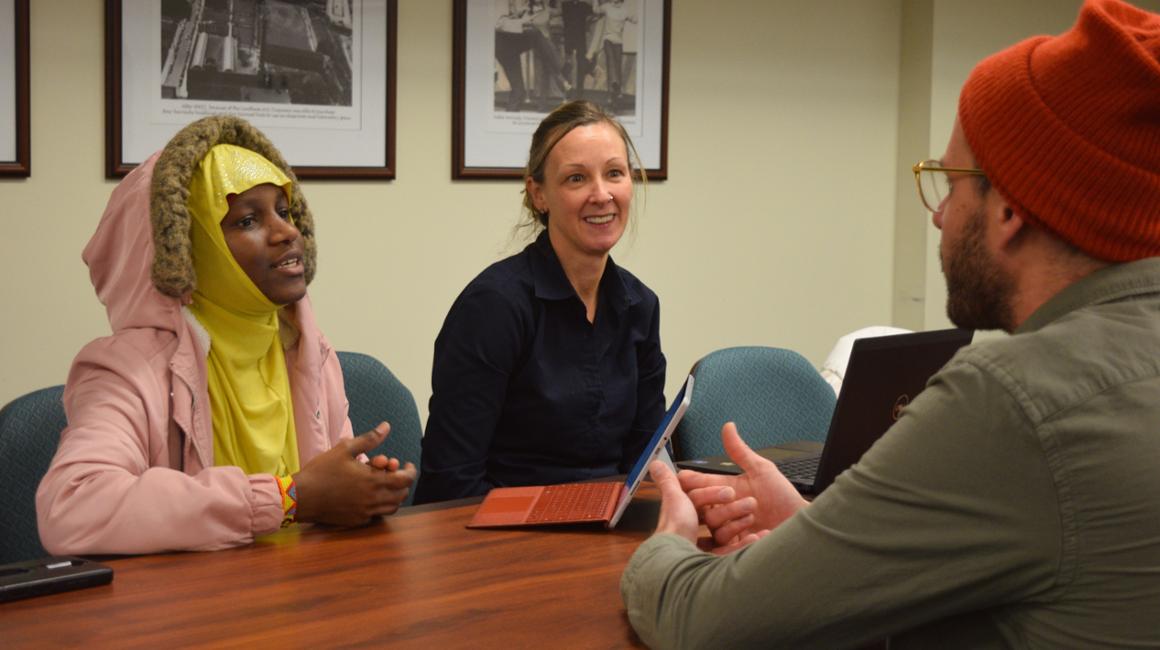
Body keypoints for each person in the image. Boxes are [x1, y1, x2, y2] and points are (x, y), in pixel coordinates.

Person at [621, 0, 1160, 646]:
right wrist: (816, 530)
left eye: (949, 181)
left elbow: (701, 623)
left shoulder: (1011, 401)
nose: (938, 216)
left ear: (1011, 209)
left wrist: (669, 543)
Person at [36, 115, 416, 555]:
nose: (288, 232)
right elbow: (72, 509)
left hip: (305, 600)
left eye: (285, 211)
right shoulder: (126, 370)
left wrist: (363, 487)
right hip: (193, 613)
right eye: (247, 221)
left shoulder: (306, 347)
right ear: (187, 247)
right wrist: (287, 499)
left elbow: (319, 483)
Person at [414, 100, 665, 504]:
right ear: (539, 195)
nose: (601, 195)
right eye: (576, 178)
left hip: (612, 529)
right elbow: (451, 483)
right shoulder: (494, 306)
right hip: (504, 538)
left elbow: (646, 465)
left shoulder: (640, 305)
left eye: (614, 173)